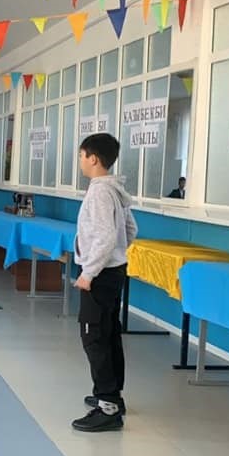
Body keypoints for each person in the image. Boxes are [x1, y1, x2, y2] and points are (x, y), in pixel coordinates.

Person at [72, 133, 137, 432]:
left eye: (82, 155)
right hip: (113, 271)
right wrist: (118, 254)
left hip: (99, 275)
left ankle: (108, 406)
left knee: (94, 337)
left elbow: (107, 236)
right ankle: (112, 395)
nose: (80, 160)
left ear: (93, 159)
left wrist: (89, 272)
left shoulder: (99, 192)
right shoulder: (114, 189)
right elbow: (130, 229)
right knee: (108, 334)